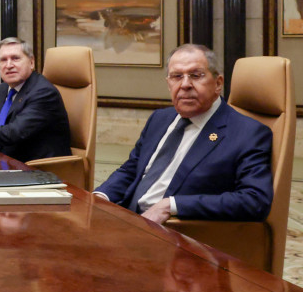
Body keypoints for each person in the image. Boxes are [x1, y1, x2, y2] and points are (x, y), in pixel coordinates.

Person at [95, 44, 272, 225]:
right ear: (168, 83)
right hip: (128, 221)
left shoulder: (248, 133)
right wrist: (100, 196)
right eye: (177, 76)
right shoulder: (160, 119)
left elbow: (254, 201)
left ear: (218, 83)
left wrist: (171, 205)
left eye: (196, 75)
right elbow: (132, 169)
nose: (185, 84)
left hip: (177, 234)